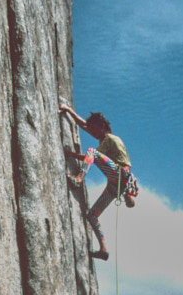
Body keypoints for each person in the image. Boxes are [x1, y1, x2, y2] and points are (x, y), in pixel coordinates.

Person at [59, 103, 137, 261]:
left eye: (95, 129)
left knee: (92, 152)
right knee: (92, 215)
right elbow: (84, 125)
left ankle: (79, 179)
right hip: (115, 184)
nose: (92, 132)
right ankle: (103, 249)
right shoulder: (104, 138)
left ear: (102, 127)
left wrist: (70, 154)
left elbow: (91, 157)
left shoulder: (109, 139)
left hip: (120, 175)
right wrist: (68, 109)